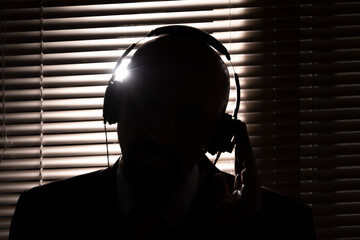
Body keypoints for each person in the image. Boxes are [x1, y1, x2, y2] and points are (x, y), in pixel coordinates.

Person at [9, 26, 316, 240]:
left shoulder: (282, 226)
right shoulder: (42, 216)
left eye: (189, 114)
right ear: (114, 105)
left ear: (219, 135)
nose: (160, 133)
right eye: (145, 103)